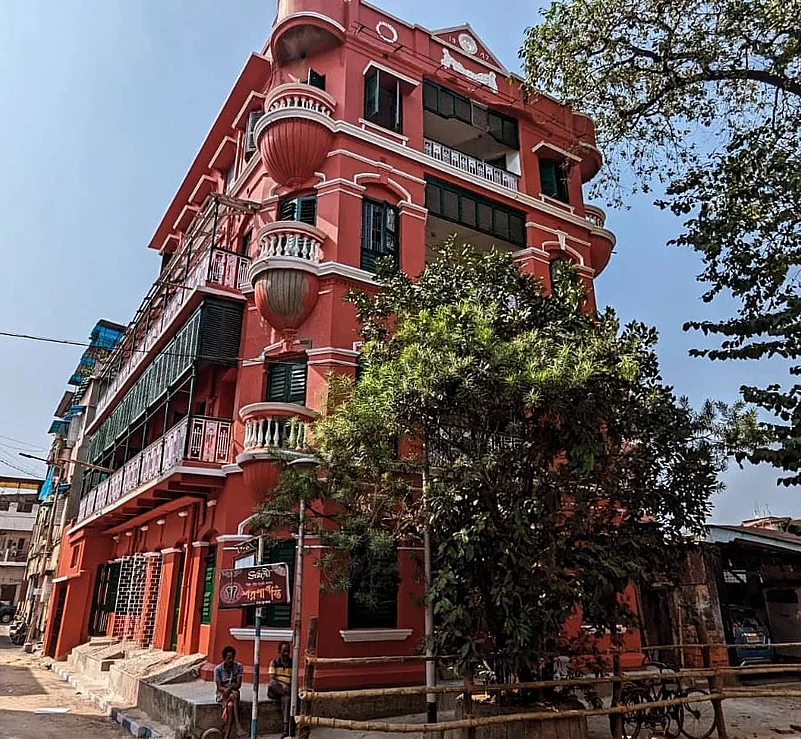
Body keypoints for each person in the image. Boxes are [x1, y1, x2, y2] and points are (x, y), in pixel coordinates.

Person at [214, 645, 245, 738]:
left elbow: (238, 685)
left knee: (231, 703)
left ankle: (226, 735)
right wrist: (226, 690)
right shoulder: (218, 669)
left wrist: (229, 688)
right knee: (232, 699)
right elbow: (219, 687)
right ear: (224, 658)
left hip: (233, 692)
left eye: (232, 658)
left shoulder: (238, 667)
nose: (231, 660)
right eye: (228, 658)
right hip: (222, 694)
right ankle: (238, 726)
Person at [267, 641, 293, 738]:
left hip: (287, 691)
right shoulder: (274, 662)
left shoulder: (292, 663)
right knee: (272, 684)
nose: (286, 654)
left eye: (288, 651)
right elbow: (272, 678)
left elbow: (294, 680)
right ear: (279, 651)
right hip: (276, 689)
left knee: (286, 698)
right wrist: (282, 685)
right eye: (284, 651)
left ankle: (286, 729)